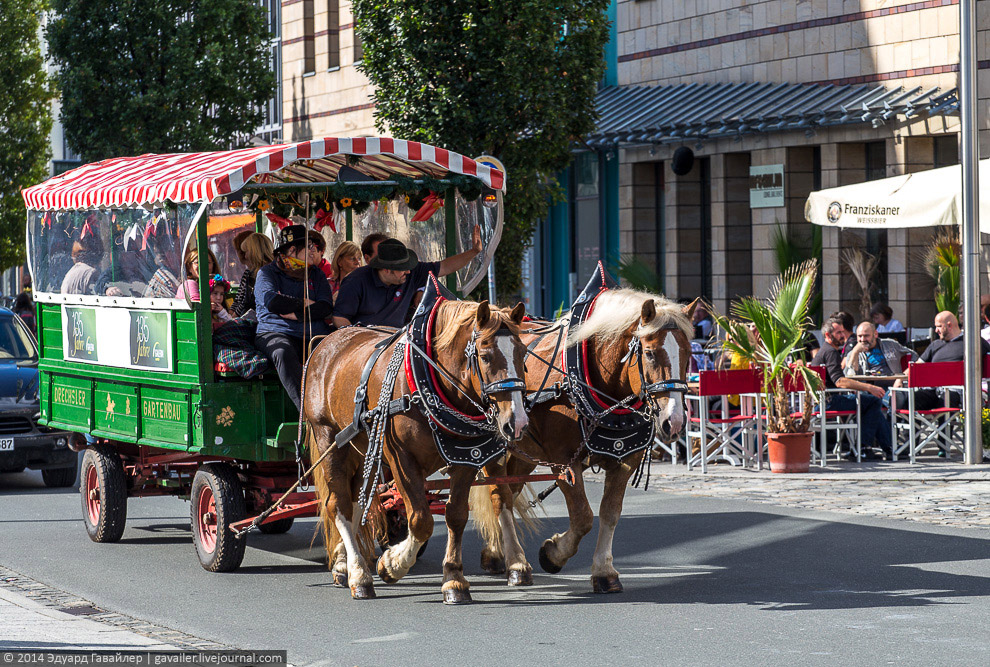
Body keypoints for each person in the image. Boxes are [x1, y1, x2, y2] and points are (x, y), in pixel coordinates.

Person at [332, 226, 483, 329]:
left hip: (398, 342)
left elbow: (445, 267)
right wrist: (358, 339)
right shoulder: (355, 281)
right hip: (365, 345)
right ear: (386, 269)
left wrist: (474, 251)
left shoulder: (412, 272)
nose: (409, 272)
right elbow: (339, 318)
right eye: (402, 269)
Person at [254, 225, 333, 411]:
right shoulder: (267, 273)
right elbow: (273, 302)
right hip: (275, 332)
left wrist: (297, 313)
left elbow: (325, 307)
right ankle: (306, 413)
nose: (313, 251)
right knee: (282, 352)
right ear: (291, 250)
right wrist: (304, 302)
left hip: (314, 333)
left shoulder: (316, 273)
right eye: (309, 247)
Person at [811, 316, 893, 460]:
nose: (843, 335)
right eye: (838, 333)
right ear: (828, 335)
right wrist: (868, 387)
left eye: (843, 332)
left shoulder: (825, 351)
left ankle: (879, 448)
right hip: (829, 401)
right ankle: (867, 447)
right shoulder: (830, 352)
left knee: (870, 402)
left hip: (823, 401)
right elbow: (839, 381)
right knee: (873, 401)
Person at [895, 310, 990, 411]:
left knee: (947, 401)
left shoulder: (973, 342)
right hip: (932, 390)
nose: (936, 330)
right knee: (911, 401)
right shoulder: (935, 345)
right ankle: (913, 427)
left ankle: (944, 427)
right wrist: (899, 379)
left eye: (939, 326)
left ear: (949, 325)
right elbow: (916, 366)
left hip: (956, 391)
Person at [231, 232, 274, 317]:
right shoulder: (251, 273)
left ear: (254, 252)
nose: (245, 256)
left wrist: (232, 318)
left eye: (246, 252)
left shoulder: (264, 273)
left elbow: (247, 303)